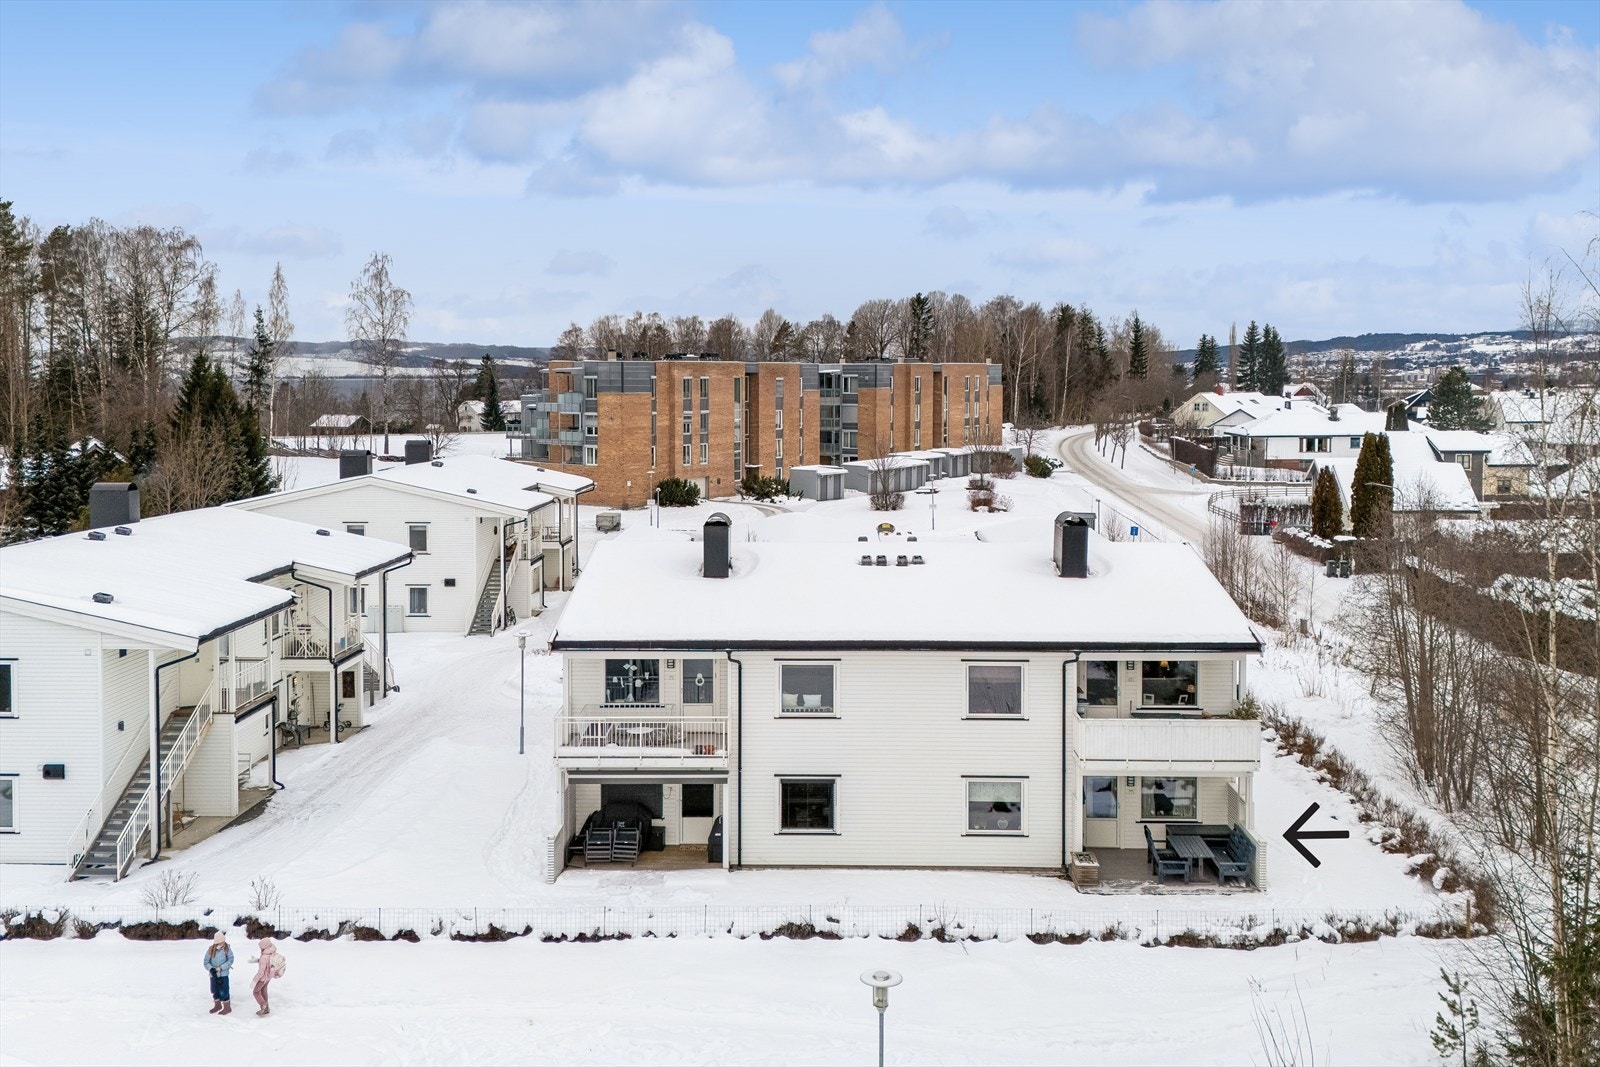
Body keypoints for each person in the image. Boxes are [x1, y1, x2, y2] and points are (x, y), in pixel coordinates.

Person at [249, 937, 285, 1017]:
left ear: (263, 947)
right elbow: (267, 964)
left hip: (263, 978)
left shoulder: (264, 956)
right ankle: (267, 1007)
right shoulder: (272, 952)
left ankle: (264, 1005)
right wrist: (257, 960)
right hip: (269, 976)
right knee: (263, 989)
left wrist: (254, 981)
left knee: (256, 992)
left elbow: (261, 972)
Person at [204, 931, 234, 1015]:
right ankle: (217, 1005)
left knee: (224, 990)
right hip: (213, 975)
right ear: (216, 943)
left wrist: (221, 968)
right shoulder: (210, 950)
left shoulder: (227, 949)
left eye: (223, 941)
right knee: (214, 989)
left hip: (223, 974)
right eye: (221, 942)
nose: (223, 944)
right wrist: (211, 969)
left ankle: (227, 1007)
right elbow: (206, 962)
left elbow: (230, 960)